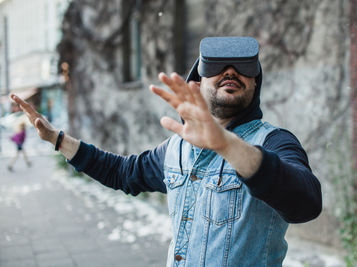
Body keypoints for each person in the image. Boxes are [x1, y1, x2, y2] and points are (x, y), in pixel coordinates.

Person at [11, 36, 322, 266]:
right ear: (198, 84)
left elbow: (305, 204)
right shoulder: (176, 148)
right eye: (219, 67)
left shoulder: (275, 142)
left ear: (255, 84)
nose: (231, 72)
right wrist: (58, 139)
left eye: (242, 68)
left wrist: (225, 143)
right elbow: (123, 173)